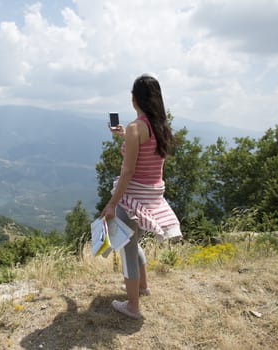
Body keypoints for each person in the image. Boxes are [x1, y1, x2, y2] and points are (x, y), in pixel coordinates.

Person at [101, 74, 182, 319]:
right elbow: (148, 157)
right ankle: (143, 287)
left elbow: (128, 170)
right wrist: (125, 135)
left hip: (132, 197)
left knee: (127, 249)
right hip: (152, 197)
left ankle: (133, 306)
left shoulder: (137, 128)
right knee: (133, 242)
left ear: (134, 98)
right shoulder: (159, 127)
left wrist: (112, 204)